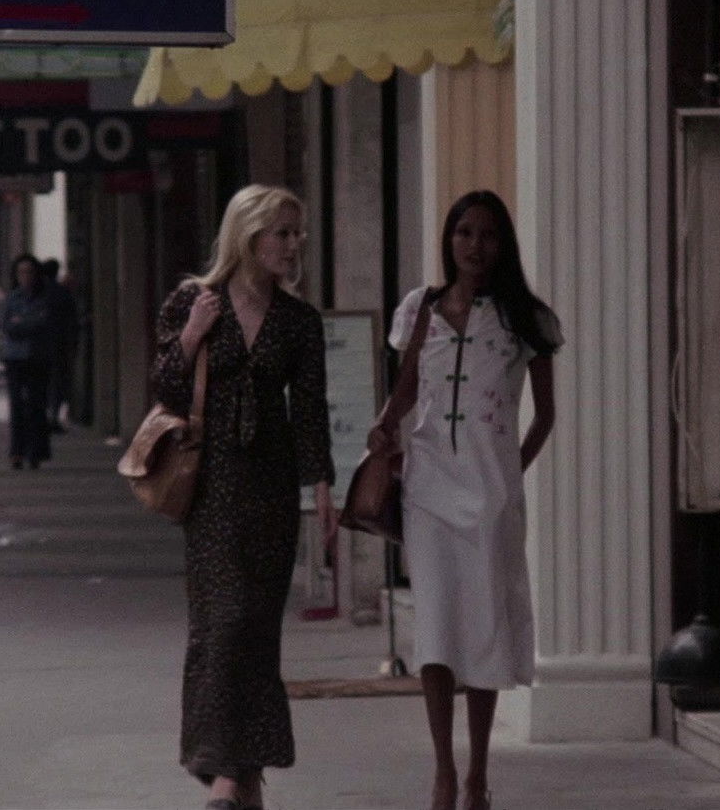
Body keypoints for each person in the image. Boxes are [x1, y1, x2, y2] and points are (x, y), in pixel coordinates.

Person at [367, 190, 561, 810]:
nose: (475, 246)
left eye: (488, 235)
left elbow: (545, 416)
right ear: (449, 240)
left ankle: (478, 771)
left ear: (503, 245)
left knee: (484, 629)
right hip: (427, 491)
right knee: (435, 628)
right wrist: (384, 426)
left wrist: (509, 474)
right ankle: (443, 771)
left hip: (490, 498)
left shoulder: (525, 319)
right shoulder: (418, 309)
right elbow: (405, 390)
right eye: (464, 233)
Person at [152, 184, 334, 810]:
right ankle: (227, 773)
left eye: (297, 232)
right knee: (220, 626)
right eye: (282, 232)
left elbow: (309, 411)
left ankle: (242, 780)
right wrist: (191, 336)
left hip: (271, 489)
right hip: (212, 487)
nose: (293, 243)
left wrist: (322, 484)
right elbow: (165, 389)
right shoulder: (194, 301)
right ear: (249, 236)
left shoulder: (299, 321)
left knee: (256, 630)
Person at [0, 255, 56, 469]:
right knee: (17, 405)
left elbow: (44, 322)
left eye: (29, 272)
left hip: (38, 357)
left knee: (36, 404)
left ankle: (36, 451)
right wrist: (27, 322)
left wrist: (23, 322)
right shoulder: (12, 298)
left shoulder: (45, 298)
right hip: (15, 357)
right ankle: (16, 451)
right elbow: (8, 326)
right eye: (21, 272)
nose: (25, 277)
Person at [39, 258, 78, 432]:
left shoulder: (40, 293)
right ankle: (53, 416)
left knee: (44, 382)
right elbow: (71, 321)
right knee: (57, 382)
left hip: (42, 343)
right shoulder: (63, 293)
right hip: (59, 343)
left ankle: (44, 417)